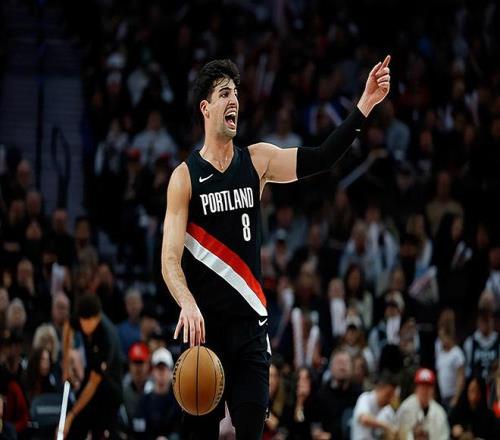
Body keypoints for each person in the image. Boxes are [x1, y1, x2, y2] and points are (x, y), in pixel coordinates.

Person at [161, 56, 391, 439]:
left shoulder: (257, 161)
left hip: (251, 331)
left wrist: (365, 103)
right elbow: (169, 259)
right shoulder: (184, 178)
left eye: (236, 93)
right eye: (224, 94)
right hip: (207, 333)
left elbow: (323, 158)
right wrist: (186, 302)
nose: (234, 100)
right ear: (206, 107)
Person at [64, 294, 123, 439]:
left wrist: (71, 415)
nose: (84, 325)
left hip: (108, 390)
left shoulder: (107, 338)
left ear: (97, 318)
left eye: (88, 321)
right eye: (82, 321)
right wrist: (65, 366)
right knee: (74, 429)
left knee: (100, 432)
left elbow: (93, 383)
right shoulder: (81, 318)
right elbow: (68, 327)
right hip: (89, 375)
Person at [132, 347, 180, 439]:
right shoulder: (143, 401)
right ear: (153, 371)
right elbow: (137, 432)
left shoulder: (177, 403)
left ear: (171, 372)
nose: (161, 372)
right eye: (158, 368)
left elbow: (179, 431)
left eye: (164, 368)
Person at [396, 368, 449, 440]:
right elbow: (399, 434)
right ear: (416, 388)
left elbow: (444, 437)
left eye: (428, 387)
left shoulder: (439, 412)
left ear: (433, 390)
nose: (425, 391)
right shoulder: (405, 408)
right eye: (422, 387)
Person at [351, 371, 399, 440]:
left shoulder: (388, 410)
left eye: (392, 396)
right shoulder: (365, 398)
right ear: (379, 388)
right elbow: (364, 419)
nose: (390, 399)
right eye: (388, 394)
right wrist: (387, 426)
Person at [449, 376, 498, 440]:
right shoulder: (457, 411)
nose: (474, 395)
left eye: (478, 391)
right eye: (472, 391)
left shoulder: (489, 416)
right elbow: (447, 428)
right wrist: (453, 431)